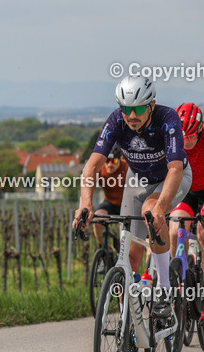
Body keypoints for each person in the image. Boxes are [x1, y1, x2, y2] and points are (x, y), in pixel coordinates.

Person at [74, 74, 190, 319]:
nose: (131, 115)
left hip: (172, 177)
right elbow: (91, 166)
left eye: (138, 108)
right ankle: (129, 321)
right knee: (129, 257)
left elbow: (175, 169)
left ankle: (164, 290)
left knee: (151, 210)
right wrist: (86, 204)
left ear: (151, 105)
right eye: (126, 109)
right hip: (137, 180)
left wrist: (160, 206)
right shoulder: (116, 121)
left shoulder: (167, 119)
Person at [169, 103, 204, 258]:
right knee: (175, 232)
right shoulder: (172, 137)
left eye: (190, 137)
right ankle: (177, 269)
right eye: (183, 137)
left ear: (200, 129)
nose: (186, 142)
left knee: (203, 234)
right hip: (187, 191)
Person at [91, 152, 128, 247]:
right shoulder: (100, 169)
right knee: (97, 220)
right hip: (109, 202)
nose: (110, 164)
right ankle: (103, 247)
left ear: (120, 159)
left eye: (114, 160)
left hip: (126, 203)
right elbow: (89, 185)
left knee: (125, 227)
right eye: (107, 161)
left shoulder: (127, 167)